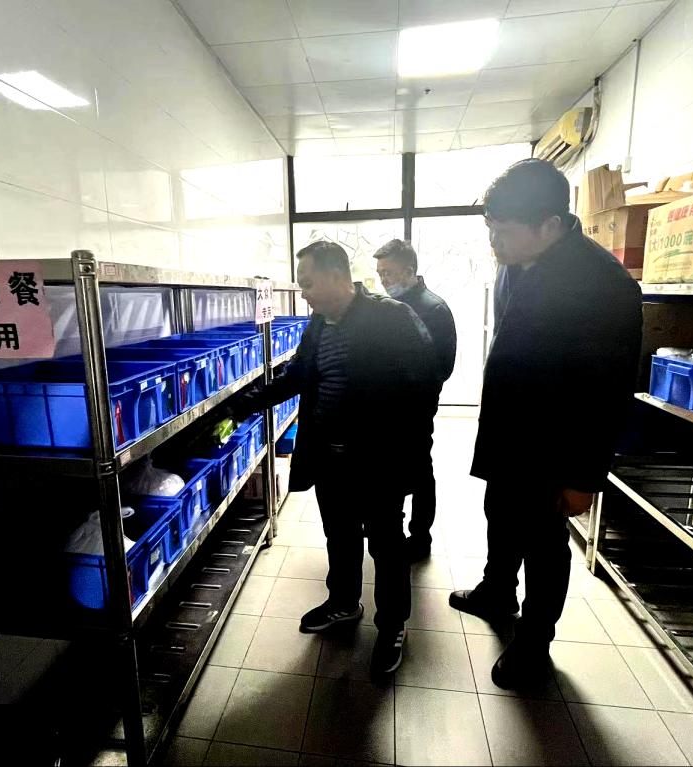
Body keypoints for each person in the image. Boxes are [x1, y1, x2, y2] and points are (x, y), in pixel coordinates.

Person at [449, 159, 643, 689]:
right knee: (499, 515)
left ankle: (534, 643)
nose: (494, 242)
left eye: (504, 231)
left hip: (556, 444)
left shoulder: (604, 285)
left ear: (550, 225)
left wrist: (584, 477)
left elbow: (609, 392)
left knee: (544, 544)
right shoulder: (516, 263)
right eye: (491, 229)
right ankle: (496, 591)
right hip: (510, 432)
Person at [228, 240, 434, 676]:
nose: (304, 293)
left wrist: (407, 456)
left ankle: (392, 625)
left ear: (338, 275)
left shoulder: (392, 318)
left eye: (308, 284)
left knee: (386, 544)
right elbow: (299, 375)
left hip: (378, 461)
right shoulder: (319, 324)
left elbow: (423, 389)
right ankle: (343, 603)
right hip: (330, 458)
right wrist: (244, 403)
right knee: (339, 536)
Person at [373, 239, 457, 563]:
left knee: (420, 471)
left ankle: (421, 536)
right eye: (380, 273)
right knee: (391, 470)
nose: (384, 280)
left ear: (409, 271)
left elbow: (442, 367)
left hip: (415, 407)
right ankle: (388, 526)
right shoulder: (386, 306)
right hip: (386, 406)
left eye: (389, 273)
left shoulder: (433, 309)